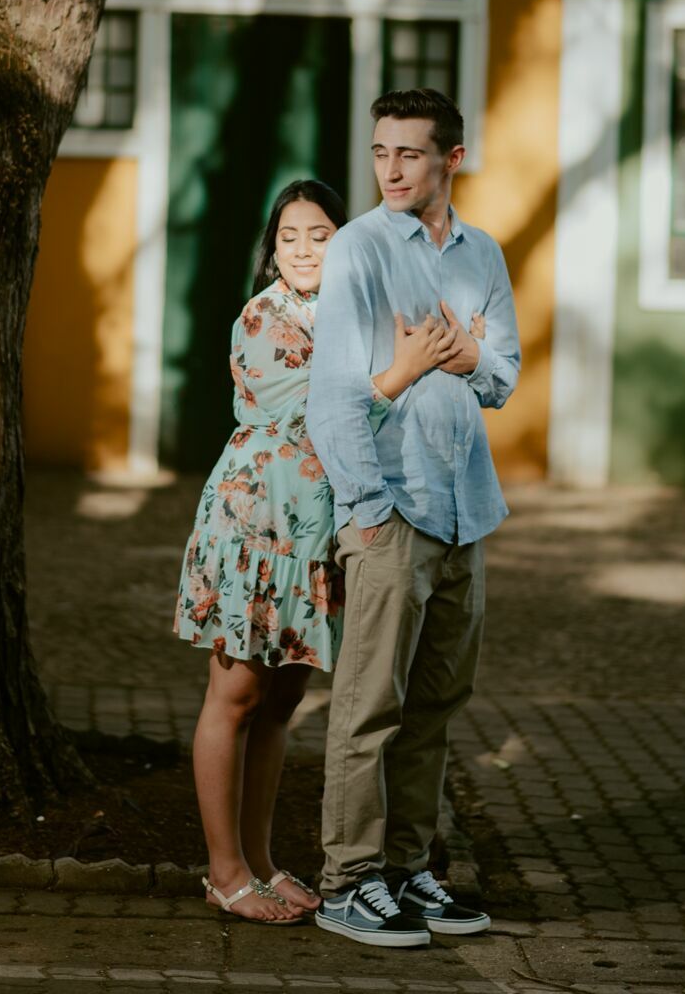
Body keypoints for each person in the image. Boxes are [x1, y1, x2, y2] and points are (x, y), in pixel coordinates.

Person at [174, 178, 460, 925]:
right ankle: (225, 871)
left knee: (282, 703)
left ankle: (263, 860)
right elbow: (324, 411)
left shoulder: (347, 317)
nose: (303, 249)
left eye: (321, 234)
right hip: (256, 528)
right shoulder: (264, 319)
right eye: (289, 237)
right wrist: (402, 370)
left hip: (317, 540)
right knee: (234, 696)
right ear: (271, 251)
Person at [306, 89, 520, 949]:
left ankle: (406, 870)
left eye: (409, 154)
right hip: (392, 508)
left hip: (466, 507)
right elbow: (333, 398)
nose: (390, 170)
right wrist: (364, 510)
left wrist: (466, 354)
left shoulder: (485, 254)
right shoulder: (357, 251)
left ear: (451, 160)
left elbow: (500, 375)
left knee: (436, 702)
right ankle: (346, 881)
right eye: (380, 152)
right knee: (368, 706)